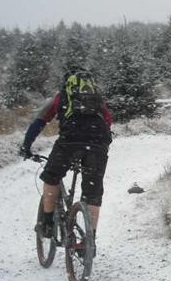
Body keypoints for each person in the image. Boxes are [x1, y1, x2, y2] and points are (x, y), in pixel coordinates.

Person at [20, 71, 112, 247]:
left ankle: (47, 223)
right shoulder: (98, 100)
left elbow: (38, 122)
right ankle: (89, 241)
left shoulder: (60, 97)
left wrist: (26, 146)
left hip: (70, 142)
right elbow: (108, 121)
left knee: (51, 177)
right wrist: (96, 142)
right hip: (97, 145)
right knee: (93, 193)